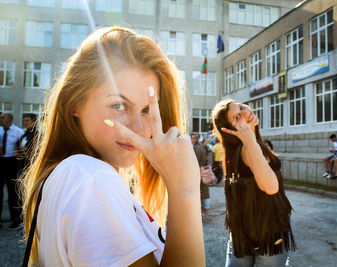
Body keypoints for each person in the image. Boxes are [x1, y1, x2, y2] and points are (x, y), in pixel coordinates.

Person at [21, 26, 205, 266]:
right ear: (75, 103)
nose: (139, 128)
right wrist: (185, 191)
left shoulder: (72, 173)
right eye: (119, 105)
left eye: (148, 109)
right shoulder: (92, 179)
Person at [212, 99, 295, 267]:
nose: (245, 112)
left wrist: (251, 136)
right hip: (268, 231)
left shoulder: (241, 148)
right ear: (229, 129)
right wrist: (250, 139)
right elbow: (271, 187)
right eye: (237, 116)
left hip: (243, 229)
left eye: (242, 107)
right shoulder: (247, 148)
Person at [0, 113, 24, 229]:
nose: (0, 119)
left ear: (10, 119)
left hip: (11, 163)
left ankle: (15, 218)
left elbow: (21, 147)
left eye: (2, 117)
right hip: (1, 161)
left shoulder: (18, 132)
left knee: (12, 191)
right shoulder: (0, 131)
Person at [192, 133, 211, 214]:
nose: (192, 140)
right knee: (204, 190)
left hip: (199, 171)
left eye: (193, 138)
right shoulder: (202, 146)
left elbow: (194, 161)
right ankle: (206, 207)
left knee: (200, 190)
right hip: (203, 171)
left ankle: (205, 208)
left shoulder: (197, 148)